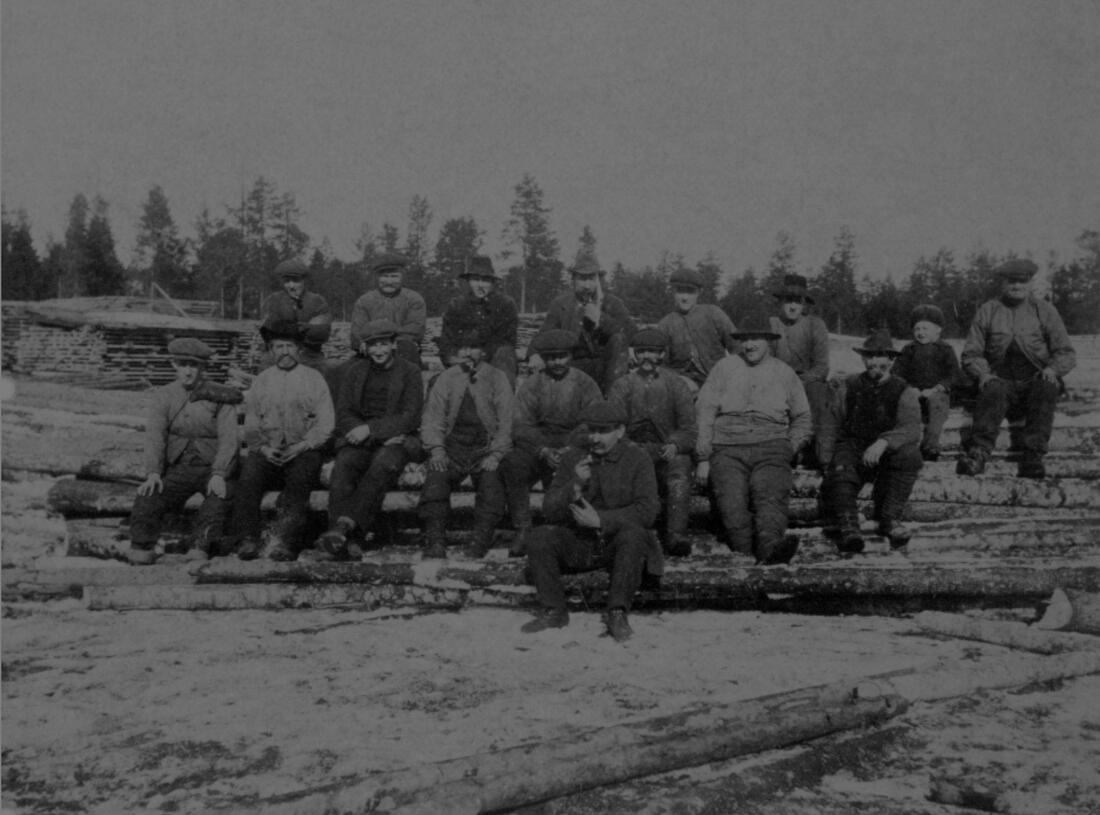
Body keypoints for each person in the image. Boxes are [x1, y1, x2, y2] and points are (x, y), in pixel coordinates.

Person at [520, 400, 661, 643]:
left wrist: (601, 520)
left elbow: (648, 511)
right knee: (539, 536)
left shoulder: (637, 458)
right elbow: (549, 509)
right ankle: (554, 611)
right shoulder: (573, 457)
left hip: (617, 544)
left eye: (603, 431)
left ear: (620, 431)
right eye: (591, 430)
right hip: (579, 544)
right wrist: (573, 484)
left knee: (635, 536)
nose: (595, 438)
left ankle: (617, 612)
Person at [695, 316, 811, 565]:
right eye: (744, 339)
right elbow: (704, 411)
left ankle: (771, 548)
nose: (749, 345)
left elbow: (803, 418)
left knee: (769, 496)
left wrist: (789, 447)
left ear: (768, 341)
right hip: (727, 448)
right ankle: (746, 557)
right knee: (731, 503)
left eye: (755, 339)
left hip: (771, 446)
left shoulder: (784, 372)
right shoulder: (724, 368)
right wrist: (703, 456)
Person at [304, 320, 423, 561]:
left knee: (382, 466)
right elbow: (344, 411)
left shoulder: (410, 372)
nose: (378, 351)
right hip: (361, 439)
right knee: (344, 465)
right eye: (373, 346)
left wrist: (373, 430)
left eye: (383, 345)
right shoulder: (355, 372)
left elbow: (410, 416)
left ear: (393, 345)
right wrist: (358, 431)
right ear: (365, 348)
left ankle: (346, 533)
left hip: (395, 441)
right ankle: (344, 539)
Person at [957, 259, 1076, 479]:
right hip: (999, 381)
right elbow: (971, 353)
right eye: (1012, 281)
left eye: (1023, 281)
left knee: (1046, 387)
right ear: (1003, 283)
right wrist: (983, 373)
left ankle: (1033, 456)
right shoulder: (988, 310)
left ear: (1030, 283)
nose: (1017, 286)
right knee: (991, 389)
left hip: (1035, 380)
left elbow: (1066, 352)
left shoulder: (1044, 310)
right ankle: (978, 453)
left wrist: (1052, 370)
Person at [127, 337, 240, 565]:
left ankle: (200, 546)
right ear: (174, 365)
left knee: (218, 498)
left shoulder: (221, 395)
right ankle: (142, 546)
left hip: (211, 467)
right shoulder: (165, 395)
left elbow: (229, 439)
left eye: (194, 365)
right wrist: (153, 472)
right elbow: (155, 435)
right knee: (149, 495)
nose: (188, 371)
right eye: (183, 364)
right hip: (179, 467)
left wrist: (220, 473)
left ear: (203, 367)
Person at [233, 319, 335, 561]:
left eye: (290, 347)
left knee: (299, 483)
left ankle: (284, 541)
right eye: (279, 347)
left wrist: (303, 446)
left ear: (299, 350)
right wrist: (264, 449)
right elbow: (251, 423)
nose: (285, 352)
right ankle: (248, 538)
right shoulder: (262, 380)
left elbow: (326, 423)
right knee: (248, 478)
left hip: (304, 449)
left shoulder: (314, 379)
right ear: (271, 351)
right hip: (269, 450)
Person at [500, 329, 602, 558]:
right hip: (540, 444)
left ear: (571, 356)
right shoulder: (532, 384)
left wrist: (570, 447)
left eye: (562, 356)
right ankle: (523, 528)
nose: (557, 362)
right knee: (513, 463)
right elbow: (521, 424)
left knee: (578, 471)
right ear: (544, 359)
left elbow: (593, 421)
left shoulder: (585, 383)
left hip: (574, 443)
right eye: (551, 357)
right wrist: (542, 449)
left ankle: (566, 528)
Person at [819, 329, 923, 552]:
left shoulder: (903, 390)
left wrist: (884, 442)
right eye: (870, 356)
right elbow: (830, 422)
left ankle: (890, 519)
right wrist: (825, 459)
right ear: (863, 359)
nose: (875, 361)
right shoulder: (849, 385)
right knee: (840, 468)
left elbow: (912, 428)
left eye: (881, 356)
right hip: (853, 445)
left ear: (892, 360)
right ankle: (849, 528)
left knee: (910, 456)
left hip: (886, 452)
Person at [418, 329, 515, 559]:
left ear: (483, 351)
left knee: (491, 486)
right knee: (436, 481)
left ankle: (480, 540)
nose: (467, 353)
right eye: (462, 348)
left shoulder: (497, 378)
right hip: (453, 449)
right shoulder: (447, 378)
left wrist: (497, 454)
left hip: (484, 450)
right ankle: (435, 539)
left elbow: (507, 422)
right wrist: (437, 449)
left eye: (473, 348)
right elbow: (433, 419)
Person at [608, 327, 698, 557]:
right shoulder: (623, 385)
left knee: (680, 467)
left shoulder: (676, 384)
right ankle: (625, 533)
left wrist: (676, 444)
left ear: (662, 354)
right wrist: (627, 446)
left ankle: (675, 534)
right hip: (631, 449)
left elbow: (689, 428)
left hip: (664, 451)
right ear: (635, 355)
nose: (647, 357)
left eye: (653, 351)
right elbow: (612, 425)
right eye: (642, 352)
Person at [539, 255, 635, 395]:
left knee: (619, 339)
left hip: (607, 369)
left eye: (591, 279)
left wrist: (600, 319)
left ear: (598, 281)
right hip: (571, 367)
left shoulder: (612, 303)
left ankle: (613, 404)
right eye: (582, 279)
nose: (587, 285)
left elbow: (632, 334)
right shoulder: (561, 304)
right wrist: (534, 354)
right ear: (573, 280)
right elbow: (544, 336)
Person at [769, 274, 831, 466]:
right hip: (775, 379)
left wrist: (800, 381)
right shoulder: (772, 324)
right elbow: (766, 361)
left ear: (804, 304)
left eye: (798, 302)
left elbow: (822, 366)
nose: (793, 307)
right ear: (780, 302)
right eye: (788, 301)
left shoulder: (815, 325)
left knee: (819, 397)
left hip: (807, 381)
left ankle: (822, 455)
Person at [892, 304, 961, 461]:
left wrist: (938, 388)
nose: (921, 333)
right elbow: (897, 373)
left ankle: (930, 445)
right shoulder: (908, 349)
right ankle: (907, 445)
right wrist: (910, 388)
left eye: (925, 329)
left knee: (937, 407)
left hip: (937, 394)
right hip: (913, 393)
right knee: (906, 408)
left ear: (938, 330)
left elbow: (954, 374)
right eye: (917, 329)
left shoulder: (945, 349)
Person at [438, 256, 519, 385]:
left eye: (485, 280)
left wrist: (482, 353)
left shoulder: (505, 304)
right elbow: (446, 340)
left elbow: (507, 339)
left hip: (493, 361)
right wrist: (456, 355)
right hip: (463, 358)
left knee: (505, 353)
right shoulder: (457, 304)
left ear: (493, 283)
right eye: (475, 279)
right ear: (469, 281)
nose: (480, 285)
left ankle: (504, 400)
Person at [655, 267, 737, 390]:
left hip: (718, 379)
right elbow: (662, 365)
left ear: (699, 292)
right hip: (681, 384)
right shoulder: (665, 324)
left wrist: (732, 374)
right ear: (672, 292)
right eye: (680, 291)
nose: (685, 298)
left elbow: (737, 346)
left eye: (690, 292)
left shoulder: (713, 313)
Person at [349, 253, 427, 368]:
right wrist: (368, 343)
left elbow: (414, 331)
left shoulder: (414, 299)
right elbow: (357, 332)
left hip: (401, 352)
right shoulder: (365, 301)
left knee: (406, 348)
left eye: (394, 276)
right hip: (372, 350)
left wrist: (387, 343)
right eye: (384, 276)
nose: (389, 281)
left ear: (402, 277)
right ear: (377, 277)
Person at [261, 258, 333, 372]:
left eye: (295, 280)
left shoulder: (317, 301)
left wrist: (290, 328)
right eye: (286, 281)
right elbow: (269, 331)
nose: (291, 286)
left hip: (309, 355)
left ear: (304, 280)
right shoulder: (274, 300)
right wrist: (305, 327)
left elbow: (322, 333)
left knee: (318, 374)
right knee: (266, 369)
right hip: (278, 354)